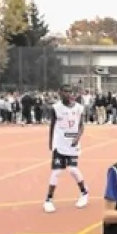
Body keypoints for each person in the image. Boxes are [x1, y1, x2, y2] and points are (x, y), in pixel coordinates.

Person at [44, 84, 89, 213]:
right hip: (59, 144)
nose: (67, 94)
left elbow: (81, 126)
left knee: (73, 169)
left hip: (73, 144)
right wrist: (51, 142)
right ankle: (48, 199)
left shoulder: (79, 108)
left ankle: (84, 192)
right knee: (56, 172)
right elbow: (52, 126)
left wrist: (77, 138)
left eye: (69, 92)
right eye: (65, 91)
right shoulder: (56, 108)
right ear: (60, 93)